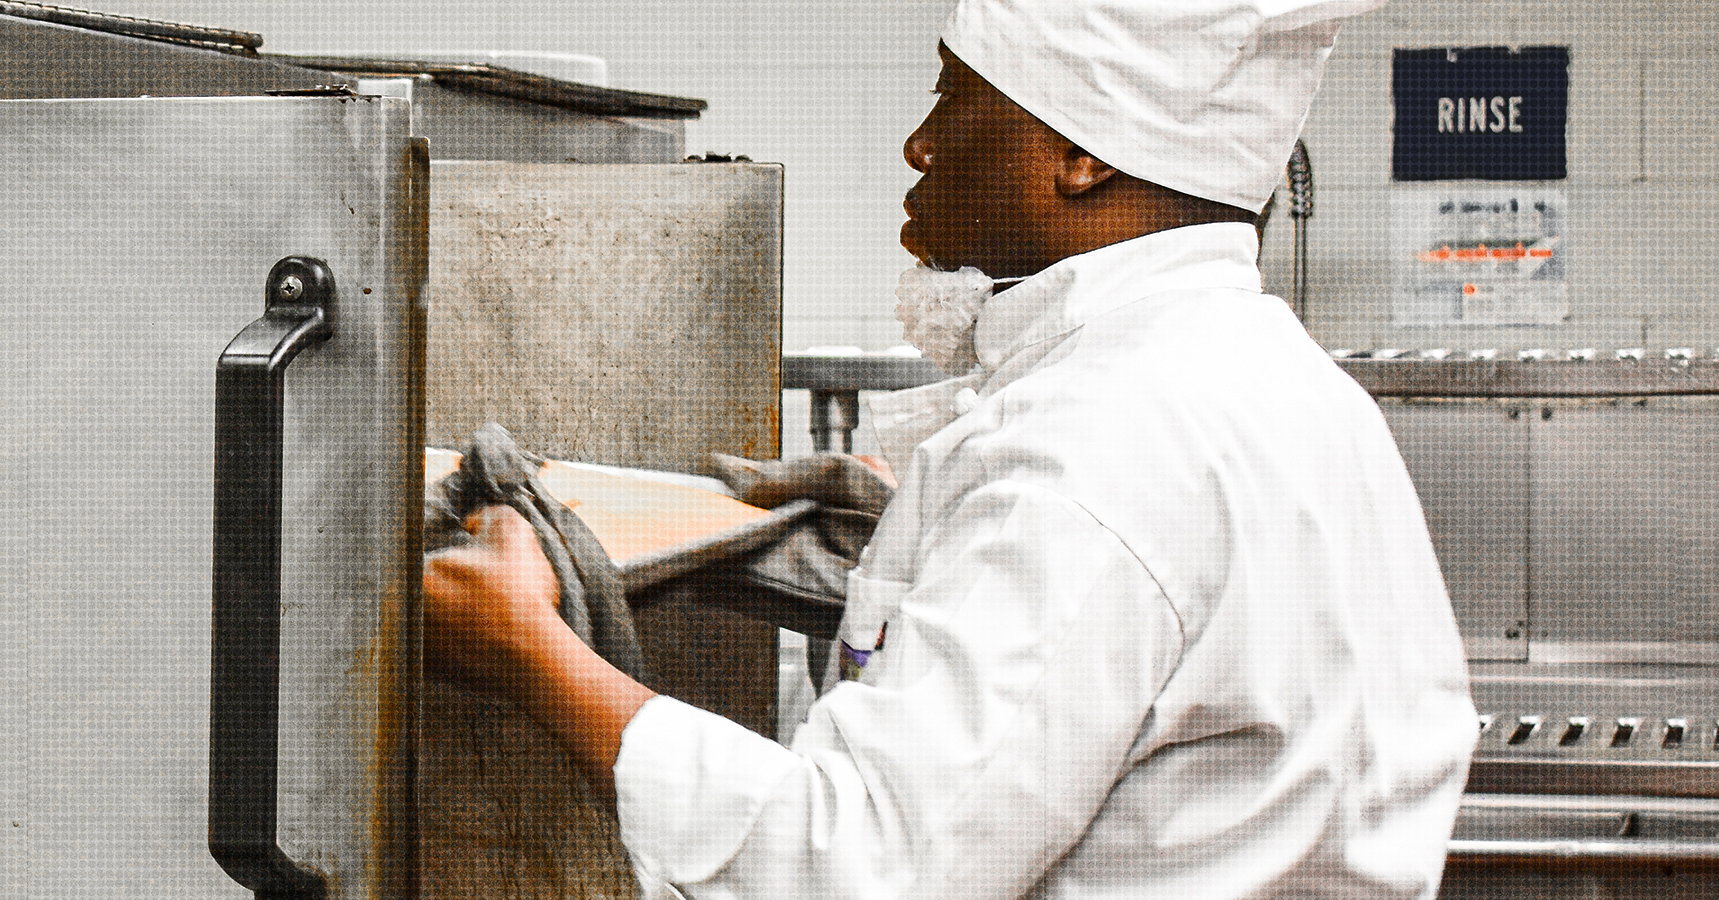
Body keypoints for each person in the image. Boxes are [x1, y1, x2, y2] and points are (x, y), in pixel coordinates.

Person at [420, 1, 1480, 897]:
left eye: (956, 97)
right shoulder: (1282, 385)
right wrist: (916, 554)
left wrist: (529, 654)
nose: (922, 143)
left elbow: (870, 864)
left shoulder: (1091, 448)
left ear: (1080, 157)